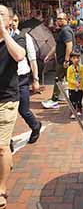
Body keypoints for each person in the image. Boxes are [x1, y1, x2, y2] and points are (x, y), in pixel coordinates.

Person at [0, 5, 25, 209]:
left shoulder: (17, 38)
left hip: (6, 100)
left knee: (0, 147)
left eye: (1, 14)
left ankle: (1, 189)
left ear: (10, 20)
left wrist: (4, 32)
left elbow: (19, 56)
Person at [12, 13, 42, 144]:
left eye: (16, 20)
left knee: (23, 110)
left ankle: (35, 126)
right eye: (11, 20)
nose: (13, 23)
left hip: (22, 79)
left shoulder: (24, 37)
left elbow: (32, 59)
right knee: (7, 112)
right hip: (6, 81)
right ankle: (7, 142)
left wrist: (36, 80)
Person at [42, 12, 75, 109]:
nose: (58, 20)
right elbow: (57, 46)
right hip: (63, 61)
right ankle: (67, 98)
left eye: (61, 19)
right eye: (58, 19)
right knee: (64, 80)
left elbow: (69, 46)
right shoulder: (63, 31)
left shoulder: (66, 31)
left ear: (66, 20)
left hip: (65, 62)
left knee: (59, 80)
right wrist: (49, 55)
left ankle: (54, 99)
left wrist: (66, 60)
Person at [67, 51, 83, 118]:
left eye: (77, 58)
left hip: (80, 88)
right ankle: (73, 111)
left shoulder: (82, 67)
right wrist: (74, 82)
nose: (76, 60)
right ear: (71, 59)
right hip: (72, 88)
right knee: (72, 101)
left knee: (79, 100)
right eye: (74, 58)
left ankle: (79, 110)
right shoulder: (70, 68)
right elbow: (68, 78)